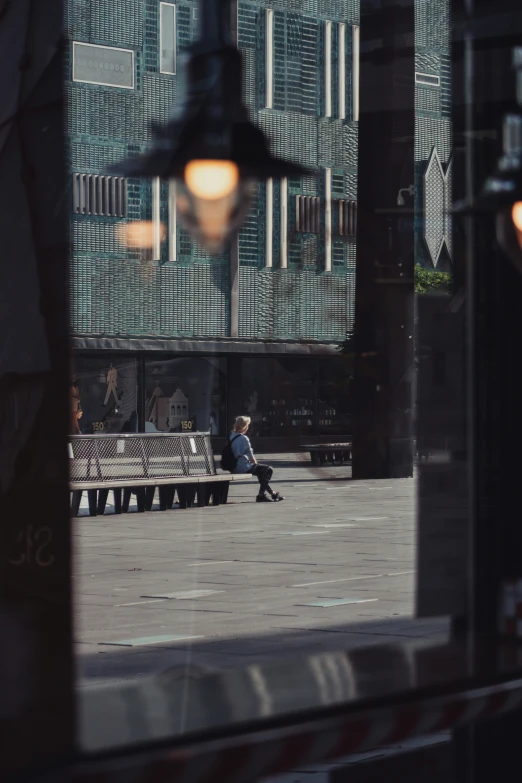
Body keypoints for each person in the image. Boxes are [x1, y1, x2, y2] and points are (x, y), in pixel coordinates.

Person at [230, 415, 284, 503]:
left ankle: (272, 493)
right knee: (268, 469)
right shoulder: (244, 438)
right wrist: (255, 463)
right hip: (242, 466)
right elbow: (251, 457)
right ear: (245, 426)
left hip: (233, 466)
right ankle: (261, 495)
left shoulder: (231, 437)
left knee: (261, 472)